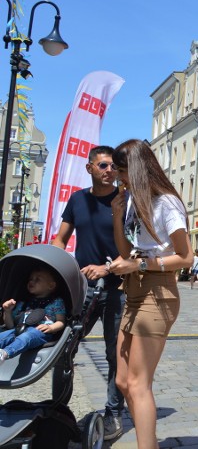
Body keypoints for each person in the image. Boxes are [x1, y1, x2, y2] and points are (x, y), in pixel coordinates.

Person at [107, 139, 193, 449]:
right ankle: (150, 443)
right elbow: (126, 250)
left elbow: (186, 257)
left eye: (121, 171)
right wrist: (117, 216)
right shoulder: (131, 200)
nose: (118, 178)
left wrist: (139, 262)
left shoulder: (166, 203)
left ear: (137, 170)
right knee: (122, 381)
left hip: (158, 293)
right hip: (133, 291)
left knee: (138, 384)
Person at [52, 145, 126, 440]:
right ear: (90, 168)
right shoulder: (77, 200)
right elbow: (60, 239)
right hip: (82, 289)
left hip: (117, 288)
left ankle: (113, 414)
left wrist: (107, 269)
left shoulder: (123, 201)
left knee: (113, 353)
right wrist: (60, 270)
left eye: (114, 167)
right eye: (104, 166)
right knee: (64, 347)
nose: (110, 171)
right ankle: (58, 410)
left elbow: (133, 251)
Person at [0, 267, 66, 362]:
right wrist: (7, 311)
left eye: (37, 279)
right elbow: (11, 326)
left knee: (26, 337)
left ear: (51, 285)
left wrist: (51, 328)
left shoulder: (56, 302)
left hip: (40, 332)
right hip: (19, 330)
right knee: (4, 336)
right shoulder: (23, 303)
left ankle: (4, 354)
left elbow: (61, 322)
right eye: (30, 279)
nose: (31, 281)